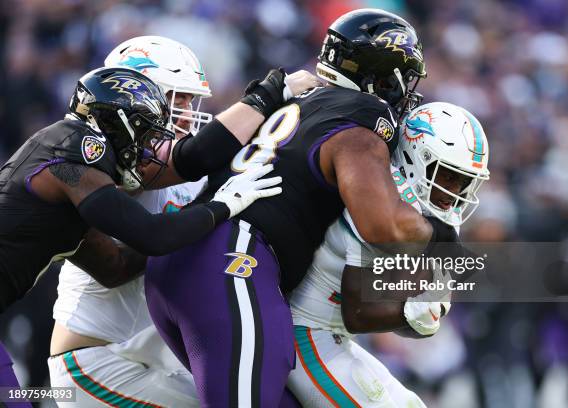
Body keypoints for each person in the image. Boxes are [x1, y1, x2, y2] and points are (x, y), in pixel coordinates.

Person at [143, 8, 458, 407]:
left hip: (189, 259)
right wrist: (438, 235)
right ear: (382, 76)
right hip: (233, 262)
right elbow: (383, 225)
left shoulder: (295, 100)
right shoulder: (363, 115)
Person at [0, 55, 318, 392]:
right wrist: (221, 206)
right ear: (116, 122)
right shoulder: (75, 147)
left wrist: (200, 214)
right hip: (93, 362)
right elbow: (152, 236)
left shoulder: (69, 187)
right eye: (146, 134)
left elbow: (116, 267)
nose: (150, 147)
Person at [287, 102, 491, 407]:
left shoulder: (436, 209)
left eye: (463, 181)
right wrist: (412, 313)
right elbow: (357, 313)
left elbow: (407, 300)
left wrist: (423, 312)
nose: (454, 191)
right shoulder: (380, 195)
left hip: (334, 336)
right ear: (417, 158)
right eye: (447, 175)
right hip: (303, 330)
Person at [48, 36, 209, 407]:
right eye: (177, 98)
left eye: (189, 98)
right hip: (92, 365)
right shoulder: (105, 163)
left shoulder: (190, 171)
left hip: (143, 358)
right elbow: (151, 178)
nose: (188, 111)